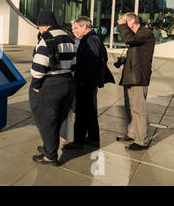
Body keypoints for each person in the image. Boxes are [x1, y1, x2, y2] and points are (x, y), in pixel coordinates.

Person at [29, 10, 77, 166]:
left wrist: (36, 86)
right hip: (67, 82)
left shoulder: (46, 39)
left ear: (43, 25)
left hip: (50, 85)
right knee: (56, 119)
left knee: (45, 120)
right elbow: (74, 63)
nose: (39, 30)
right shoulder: (69, 37)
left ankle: (50, 156)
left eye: (39, 27)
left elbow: (38, 67)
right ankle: (49, 147)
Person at [64, 17, 115, 150]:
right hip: (88, 82)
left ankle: (78, 141)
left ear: (85, 27)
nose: (73, 30)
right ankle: (93, 138)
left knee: (81, 112)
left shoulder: (91, 40)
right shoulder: (92, 38)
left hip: (85, 83)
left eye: (76, 28)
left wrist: (81, 80)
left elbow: (92, 63)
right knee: (90, 111)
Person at [116, 13, 155, 151]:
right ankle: (132, 134)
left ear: (132, 21)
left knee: (139, 109)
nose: (120, 23)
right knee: (130, 107)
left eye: (123, 21)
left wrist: (121, 25)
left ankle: (141, 140)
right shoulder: (137, 35)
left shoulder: (146, 33)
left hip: (139, 76)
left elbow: (129, 39)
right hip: (130, 75)